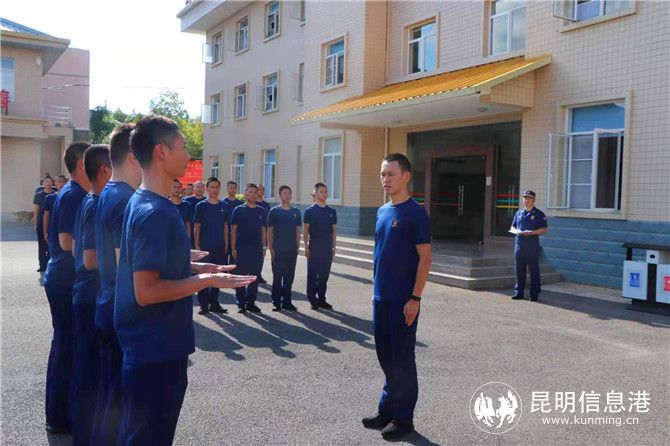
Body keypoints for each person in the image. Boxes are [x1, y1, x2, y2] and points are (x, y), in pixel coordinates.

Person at [114, 116, 254, 446]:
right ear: (161, 152)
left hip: (151, 345)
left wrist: (192, 265)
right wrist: (206, 279)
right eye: (183, 146)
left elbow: (144, 262)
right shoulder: (155, 212)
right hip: (155, 348)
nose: (189, 154)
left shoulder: (144, 201)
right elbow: (146, 290)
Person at [362, 153, 431, 440]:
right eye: (383, 174)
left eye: (391, 174)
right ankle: (387, 411)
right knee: (386, 357)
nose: (385, 179)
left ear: (406, 176)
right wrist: (376, 289)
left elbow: (425, 259)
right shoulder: (382, 211)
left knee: (402, 359)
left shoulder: (416, 214)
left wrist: (415, 298)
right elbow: (380, 254)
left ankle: (404, 419)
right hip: (381, 298)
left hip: (404, 301)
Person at [91, 123, 142, 446]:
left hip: (106, 300)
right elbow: (130, 265)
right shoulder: (124, 199)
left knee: (109, 395)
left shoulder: (109, 192)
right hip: (119, 309)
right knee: (119, 402)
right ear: (134, 156)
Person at [43, 141, 92, 434]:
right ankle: (59, 418)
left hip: (64, 279)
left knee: (66, 346)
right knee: (66, 347)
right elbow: (67, 242)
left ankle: (61, 414)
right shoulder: (74, 195)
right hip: (65, 281)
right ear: (83, 164)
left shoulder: (77, 193)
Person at [70, 144, 112, 445]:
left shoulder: (90, 200)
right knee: (88, 372)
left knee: (88, 369)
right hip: (89, 296)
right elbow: (89, 258)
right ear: (105, 171)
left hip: (86, 294)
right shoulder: (96, 204)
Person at [193, 177, 230, 315]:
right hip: (204, 247)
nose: (215, 190)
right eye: (212, 187)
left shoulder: (224, 206)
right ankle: (203, 305)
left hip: (220, 246)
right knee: (204, 275)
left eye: (217, 187)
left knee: (217, 275)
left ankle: (214, 303)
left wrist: (226, 243)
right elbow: (197, 226)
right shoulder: (201, 206)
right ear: (207, 189)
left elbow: (226, 226)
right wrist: (197, 245)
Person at [230, 183, 266, 313]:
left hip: (256, 249)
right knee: (240, 276)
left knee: (254, 277)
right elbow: (233, 230)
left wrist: (264, 247)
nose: (253, 194)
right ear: (245, 194)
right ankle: (241, 303)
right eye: (250, 192)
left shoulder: (261, 210)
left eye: (255, 192)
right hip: (241, 248)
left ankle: (251, 302)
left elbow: (263, 230)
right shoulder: (238, 210)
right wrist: (233, 248)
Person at [303, 182, 337, 310]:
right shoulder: (310, 211)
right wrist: (306, 247)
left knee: (324, 276)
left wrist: (334, 246)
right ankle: (313, 300)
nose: (324, 194)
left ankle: (322, 299)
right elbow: (305, 230)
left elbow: (334, 230)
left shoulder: (332, 211)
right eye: (321, 191)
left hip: (327, 248)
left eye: (325, 191)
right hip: (314, 248)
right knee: (312, 275)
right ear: (316, 193)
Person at [267, 185, 301, 311]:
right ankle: (276, 302)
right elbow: (270, 231)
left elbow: (297, 231)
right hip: (278, 250)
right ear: (280, 195)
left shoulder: (296, 212)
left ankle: (287, 302)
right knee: (277, 277)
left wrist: (297, 247)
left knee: (289, 278)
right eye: (285, 193)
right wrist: (271, 248)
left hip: (291, 250)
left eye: (289, 193)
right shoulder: (274, 212)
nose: (287, 195)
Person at [510, 190, 548, 302]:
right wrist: (516, 231)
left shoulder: (539, 214)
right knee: (519, 271)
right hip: (519, 246)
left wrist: (531, 232)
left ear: (534, 200)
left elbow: (544, 229)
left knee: (534, 271)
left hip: (531, 247)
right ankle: (519, 293)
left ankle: (534, 294)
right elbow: (512, 226)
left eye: (529, 198)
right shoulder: (518, 213)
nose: (527, 200)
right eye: (525, 198)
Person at [34, 175, 55, 273]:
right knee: (41, 243)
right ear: (43, 183)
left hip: (52, 222)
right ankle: (42, 265)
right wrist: (35, 223)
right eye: (46, 181)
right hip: (40, 222)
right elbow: (36, 210)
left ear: (52, 183)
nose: (48, 183)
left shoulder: (55, 194)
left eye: (49, 181)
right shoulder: (38, 195)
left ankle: (50, 264)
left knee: (51, 244)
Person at [42, 175, 67, 245]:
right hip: (53, 231)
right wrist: (45, 232)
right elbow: (46, 216)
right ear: (55, 183)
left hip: (67, 231)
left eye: (64, 182)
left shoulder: (70, 198)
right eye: (59, 182)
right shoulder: (49, 198)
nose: (61, 184)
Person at [223, 180, 244, 263]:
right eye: (230, 188)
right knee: (224, 260)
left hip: (237, 236)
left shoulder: (240, 204)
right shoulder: (222, 203)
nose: (232, 190)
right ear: (227, 189)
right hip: (224, 235)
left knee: (235, 259)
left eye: (234, 188)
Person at [256, 184, 271, 285]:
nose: (261, 191)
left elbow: (268, 222)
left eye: (262, 190)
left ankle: (258, 274)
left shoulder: (266, 205)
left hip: (264, 234)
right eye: (259, 189)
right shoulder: (252, 203)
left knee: (262, 256)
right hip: (253, 234)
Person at [184, 180, 206, 245]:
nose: (200, 189)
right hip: (189, 232)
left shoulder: (207, 201)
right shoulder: (186, 201)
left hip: (203, 233)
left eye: (202, 187)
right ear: (194, 188)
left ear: (204, 189)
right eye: (198, 187)